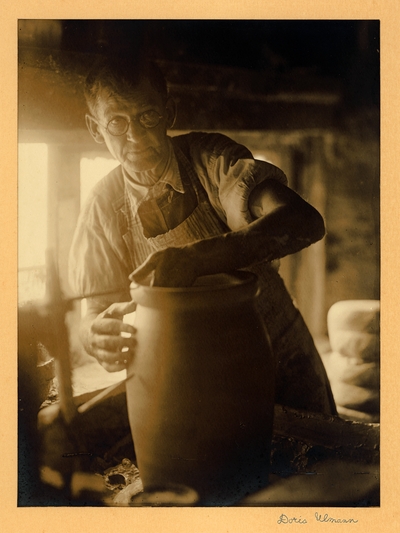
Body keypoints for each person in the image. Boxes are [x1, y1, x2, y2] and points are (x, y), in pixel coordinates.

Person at [69, 55, 336, 415]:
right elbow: (94, 313)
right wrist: (92, 335)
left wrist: (197, 259)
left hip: (278, 352)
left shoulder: (210, 160)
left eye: (147, 115)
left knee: (318, 461)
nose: (134, 136)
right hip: (192, 384)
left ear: (169, 112)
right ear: (95, 128)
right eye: (116, 122)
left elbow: (305, 221)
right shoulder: (101, 208)